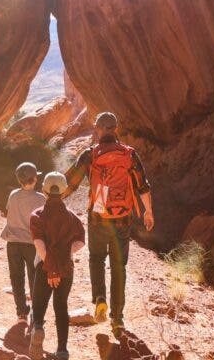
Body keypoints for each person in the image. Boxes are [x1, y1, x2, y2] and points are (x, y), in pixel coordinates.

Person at [62, 111, 153, 336]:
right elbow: (142, 186)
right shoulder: (129, 154)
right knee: (119, 266)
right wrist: (148, 212)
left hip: (97, 218)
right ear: (116, 129)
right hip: (122, 219)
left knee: (96, 258)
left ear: (98, 129)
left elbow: (70, 183)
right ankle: (118, 318)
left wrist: (50, 198)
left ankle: (100, 298)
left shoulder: (90, 154)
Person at [28, 171, 85, 360]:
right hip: (66, 269)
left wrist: (51, 268)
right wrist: (64, 256)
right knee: (61, 306)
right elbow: (81, 241)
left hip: (44, 268)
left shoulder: (37, 216)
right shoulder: (72, 218)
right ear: (64, 192)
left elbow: (40, 247)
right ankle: (62, 350)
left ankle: (38, 327)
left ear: (44, 190)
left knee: (39, 303)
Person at [1, 162, 46, 322]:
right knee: (34, 277)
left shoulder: (13, 195)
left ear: (19, 180)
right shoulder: (41, 199)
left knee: (16, 277)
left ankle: (21, 312)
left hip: (12, 242)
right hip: (31, 244)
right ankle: (35, 313)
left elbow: (9, 212)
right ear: (34, 179)